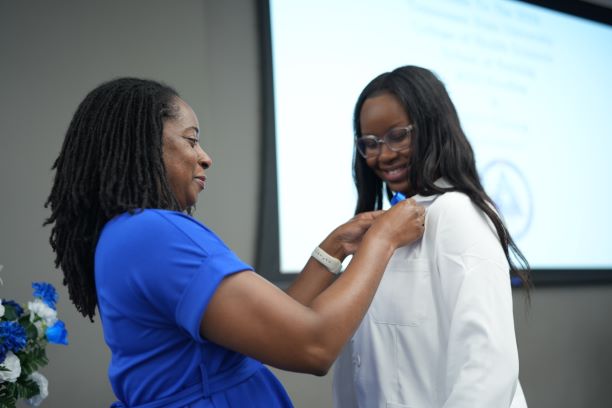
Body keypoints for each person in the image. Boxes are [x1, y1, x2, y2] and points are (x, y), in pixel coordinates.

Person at [43, 77, 426, 408]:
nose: (205, 157)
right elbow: (313, 345)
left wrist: (335, 248)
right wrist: (384, 239)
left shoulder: (127, 235)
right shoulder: (153, 232)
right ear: (141, 144)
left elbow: (271, 326)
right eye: (191, 141)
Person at [332, 65, 532, 407]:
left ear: (432, 129)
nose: (384, 154)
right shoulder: (376, 228)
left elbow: (486, 364)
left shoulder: (458, 213)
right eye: (370, 143)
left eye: (398, 135)